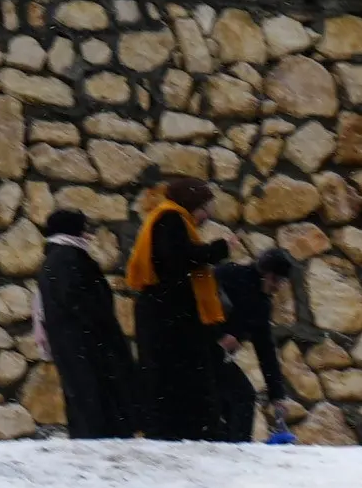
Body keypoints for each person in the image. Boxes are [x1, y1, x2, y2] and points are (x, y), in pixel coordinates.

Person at [126, 176, 234, 443]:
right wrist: (218, 249)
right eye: (205, 206)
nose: (207, 214)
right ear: (193, 203)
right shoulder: (171, 219)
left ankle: (178, 429)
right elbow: (178, 260)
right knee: (175, 377)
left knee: (172, 377)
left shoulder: (168, 219)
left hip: (166, 314)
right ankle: (180, 430)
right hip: (168, 316)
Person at [32, 208, 137, 442]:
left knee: (86, 397)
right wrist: (99, 325)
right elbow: (76, 300)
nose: (88, 235)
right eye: (84, 229)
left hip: (75, 341)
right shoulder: (68, 257)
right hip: (85, 342)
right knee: (94, 397)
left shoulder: (57, 257)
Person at [219, 245, 303, 429]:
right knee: (238, 399)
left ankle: (234, 450)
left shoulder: (261, 304)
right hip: (197, 352)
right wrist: (220, 335)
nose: (277, 287)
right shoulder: (228, 276)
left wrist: (277, 395)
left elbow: (266, 350)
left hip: (216, 359)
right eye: (278, 280)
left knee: (241, 398)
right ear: (268, 274)